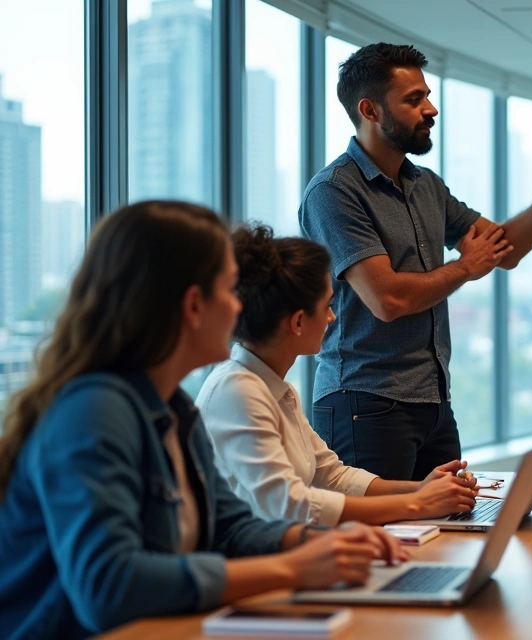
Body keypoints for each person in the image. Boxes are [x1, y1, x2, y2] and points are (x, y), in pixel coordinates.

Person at [0, 202, 404, 639]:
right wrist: (290, 568)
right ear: (194, 305)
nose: (240, 308)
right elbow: (108, 587)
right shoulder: (93, 411)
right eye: (231, 290)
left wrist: (313, 544)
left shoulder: (175, 408)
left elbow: (229, 529)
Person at [300, 42, 532, 481]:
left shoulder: (425, 185)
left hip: (432, 402)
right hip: (366, 403)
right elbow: (387, 298)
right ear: (370, 110)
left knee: (446, 532)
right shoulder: (335, 192)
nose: (431, 109)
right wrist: (465, 268)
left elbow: (503, 249)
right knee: (383, 544)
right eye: (414, 100)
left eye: (428, 95)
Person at [198, 225, 480, 528]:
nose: (332, 317)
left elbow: (332, 475)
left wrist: (423, 488)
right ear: (297, 322)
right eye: (327, 306)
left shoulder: (274, 388)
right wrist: (417, 503)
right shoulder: (237, 390)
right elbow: (289, 504)